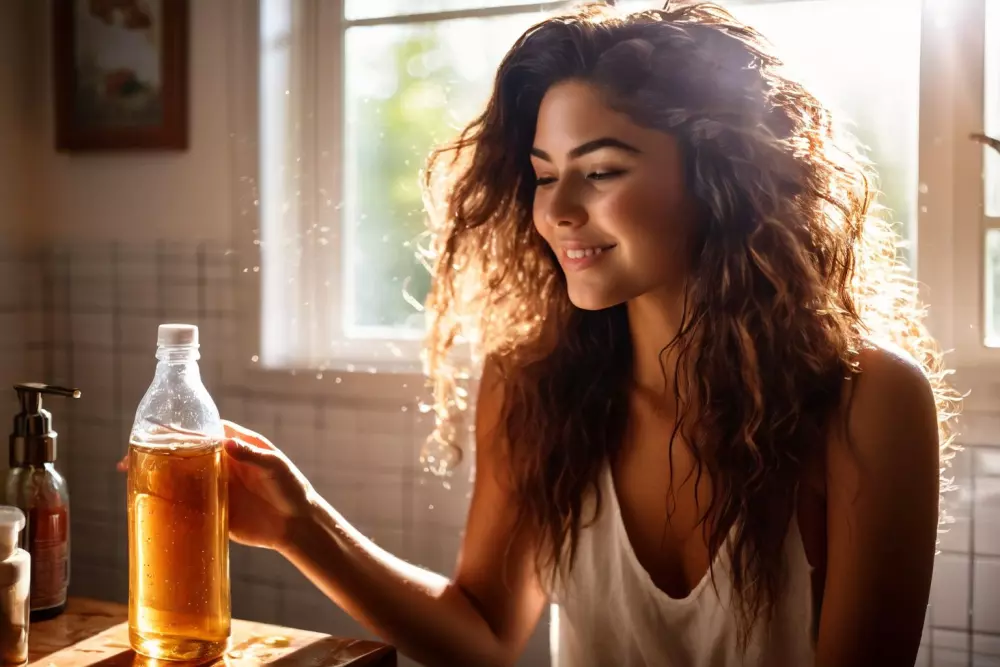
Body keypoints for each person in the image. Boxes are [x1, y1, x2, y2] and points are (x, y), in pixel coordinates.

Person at [146, 3, 963, 666]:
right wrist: (299, 524)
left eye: (600, 171)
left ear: (721, 176)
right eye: (543, 175)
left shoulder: (870, 400)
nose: (558, 210)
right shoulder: (532, 383)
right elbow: (484, 636)